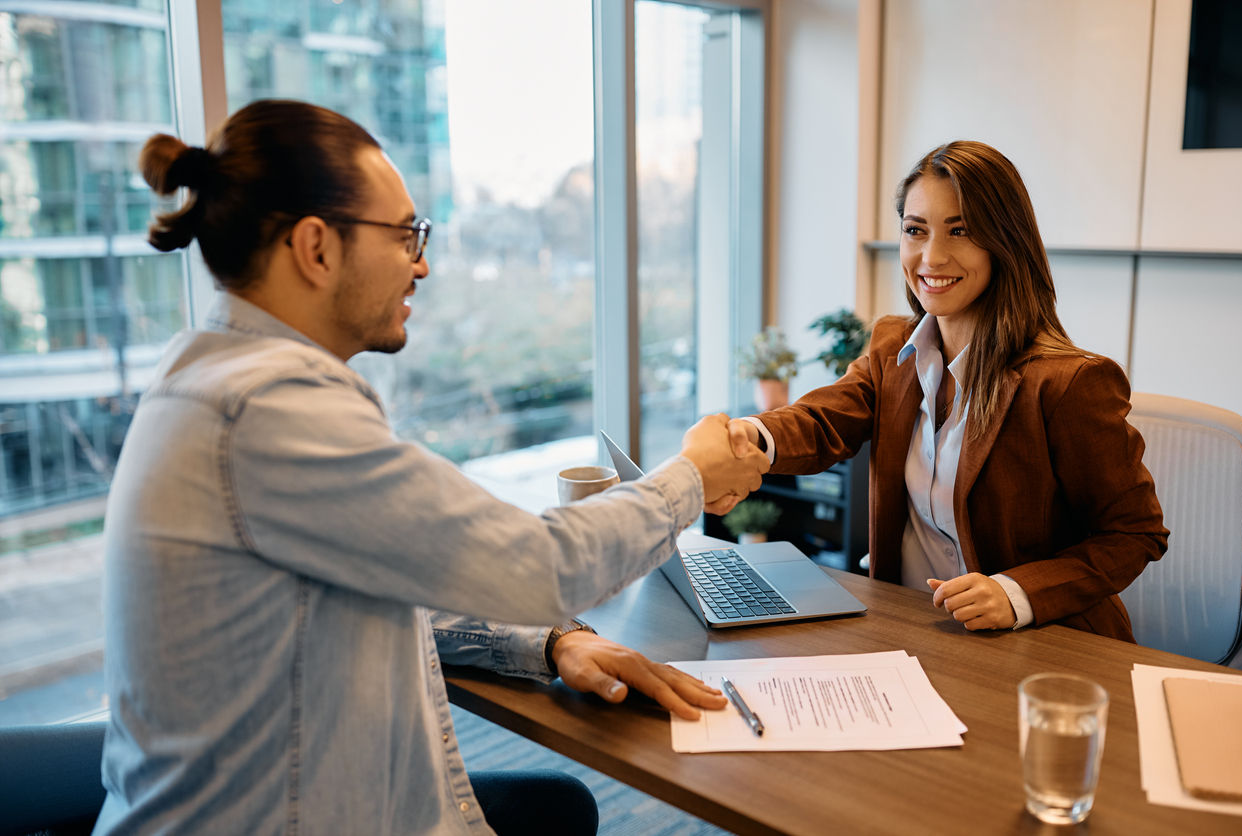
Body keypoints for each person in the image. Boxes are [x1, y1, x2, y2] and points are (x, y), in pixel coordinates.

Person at [93, 99, 768, 835]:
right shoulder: (270, 409)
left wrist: (553, 640)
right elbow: (541, 565)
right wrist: (690, 477)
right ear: (316, 248)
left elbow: (400, 569)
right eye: (405, 234)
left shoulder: (213, 379)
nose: (422, 262)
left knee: (558, 808)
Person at [724, 140, 1167, 642]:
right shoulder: (894, 348)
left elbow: (1135, 532)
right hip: (915, 633)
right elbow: (823, 420)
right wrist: (744, 438)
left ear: (1004, 240)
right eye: (915, 231)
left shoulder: (1068, 383)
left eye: (961, 230)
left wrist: (1014, 592)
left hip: (1041, 646)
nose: (931, 256)